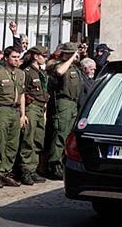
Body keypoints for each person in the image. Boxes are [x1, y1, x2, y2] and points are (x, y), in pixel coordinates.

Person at [0, 46, 27, 188]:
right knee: (0, 142)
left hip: (15, 111)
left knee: (13, 144)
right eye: (14, 57)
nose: (17, 60)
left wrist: (23, 114)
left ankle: (6, 172)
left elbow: (22, 94)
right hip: (2, 110)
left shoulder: (21, 74)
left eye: (18, 57)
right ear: (6, 58)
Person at [47, 42, 83, 180]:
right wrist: (69, 58)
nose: (76, 56)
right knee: (60, 133)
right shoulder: (58, 64)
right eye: (73, 53)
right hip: (64, 102)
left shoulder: (74, 67)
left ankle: (62, 162)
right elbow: (59, 72)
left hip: (73, 104)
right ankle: (54, 163)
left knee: (68, 135)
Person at [17, 45, 49, 185]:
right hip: (32, 107)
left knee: (38, 139)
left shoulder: (41, 72)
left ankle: (33, 169)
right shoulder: (27, 71)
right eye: (43, 55)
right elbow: (21, 92)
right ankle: (25, 170)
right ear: (36, 56)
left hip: (41, 108)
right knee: (28, 139)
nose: (45, 58)